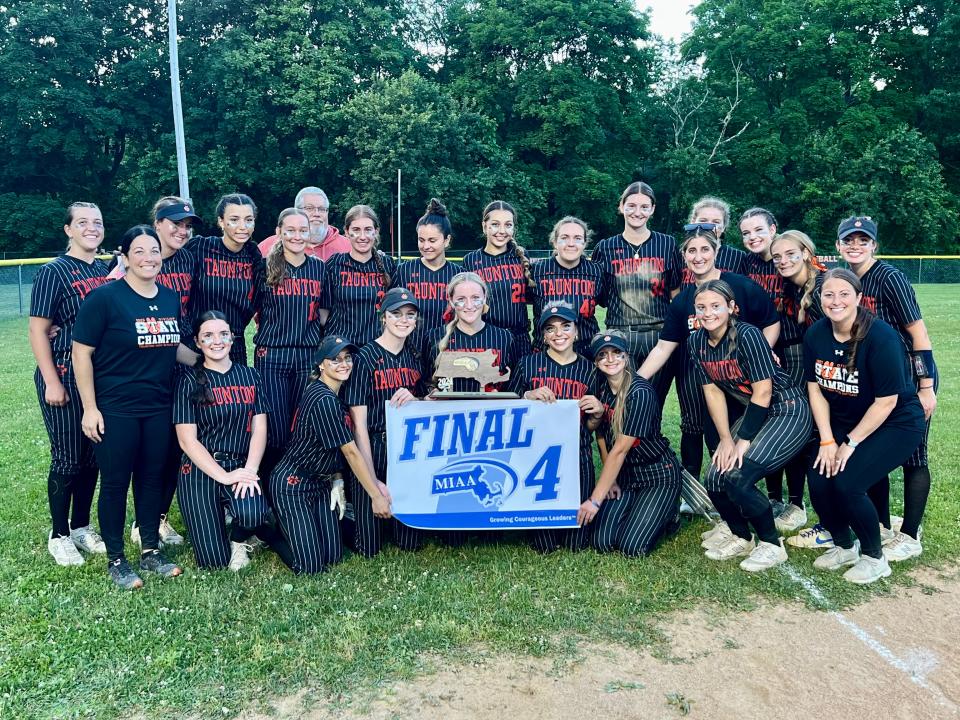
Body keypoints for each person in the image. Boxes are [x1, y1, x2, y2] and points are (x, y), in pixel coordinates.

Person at [72, 226, 186, 589]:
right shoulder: (105, 298)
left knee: (152, 479)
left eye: (154, 250)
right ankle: (117, 559)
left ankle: (150, 550)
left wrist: (209, 357)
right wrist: (90, 407)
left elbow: (173, 345)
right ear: (124, 257)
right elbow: (81, 353)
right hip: (116, 407)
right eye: (139, 251)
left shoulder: (169, 297)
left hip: (157, 407)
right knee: (117, 482)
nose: (149, 258)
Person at [804, 268, 925, 583]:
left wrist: (851, 444)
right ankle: (844, 545)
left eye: (845, 294)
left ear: (859, 298)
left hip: (896, 422)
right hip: (848, 421)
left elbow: (886, 402)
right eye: (828, 294)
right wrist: (828, 441)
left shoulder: (880, 336)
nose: (836, 301)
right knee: (819, 478)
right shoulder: (816, 333)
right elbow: (815, 388)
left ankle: (874, 556)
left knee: (849, 483)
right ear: (820, 298)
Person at [638, 227, 779, 484]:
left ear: (716, 252)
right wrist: (636, 380)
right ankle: (713, 491)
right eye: (691, 250)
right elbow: (663, 347)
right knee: (708, 431)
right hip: (708, 377)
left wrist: (763, 351)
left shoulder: (740, 285)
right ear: (684, 256)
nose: (698, 256)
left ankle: (759, 492)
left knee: (750, 433)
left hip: (744, 379)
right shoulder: (683, 301)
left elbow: (771, 321)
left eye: (705, 249)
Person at [690, 280, 811, 572]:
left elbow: (764, 392)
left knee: (737, 475)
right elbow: (713, 392)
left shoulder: (748, 335)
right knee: (716, 478)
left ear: (732, 308)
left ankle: (771, 544)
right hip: (756, 413)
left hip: (786, 409)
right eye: (701, 307)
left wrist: (742, 440)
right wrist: (725, 439)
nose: (708, 313)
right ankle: (741, 536)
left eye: (716, 306)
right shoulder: (696, 341)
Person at [835, 216, 936, 561]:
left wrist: (926, 385)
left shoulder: (890, 278)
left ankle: (910, 532)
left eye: (863, 241)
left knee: (915, 456)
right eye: (849, 240)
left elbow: (919, 333)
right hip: (872, 383)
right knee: (870, 451)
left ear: (874, 245)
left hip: (907, 380)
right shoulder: (844, 280)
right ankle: (880, 525)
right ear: (838, 245)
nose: (855, 246)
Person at [29, 202, 113, 566]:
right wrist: (51, 380)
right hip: (63, 372)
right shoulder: (55, 271)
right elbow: (37, 329)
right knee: (67, 457)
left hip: (99, 376)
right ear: (68, 229)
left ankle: (80, 526)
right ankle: (59, 533)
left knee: (93, 454)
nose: (91, 228)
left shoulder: (106, 269)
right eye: (82, 223)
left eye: (97, 222)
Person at [175, 311, 289, 571]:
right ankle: (220, 517)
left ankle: (240, 539)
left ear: (233, 338)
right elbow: (187, 441)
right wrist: (224, 477)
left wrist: (249, 471)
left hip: (239, 462)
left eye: (223, 334)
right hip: (199, 469)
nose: (217, 341)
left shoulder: (250, 376)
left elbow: (260, 427)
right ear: (198, 342)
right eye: (208, 335)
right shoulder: (188, 380)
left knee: (253, 513)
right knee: (213, 562)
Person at [270, 336, 391, 574]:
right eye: (335, 360)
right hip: (293, 484)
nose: (343, 364)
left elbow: (329, 445)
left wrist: (336, 478)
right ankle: (270, 532)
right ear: (320, 365)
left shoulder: (334, 392)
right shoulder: (323, 399)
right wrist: (376, 495)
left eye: (347, 358)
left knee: (333, 556)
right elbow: (350, 452)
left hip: (321, 483)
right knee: (311, 567)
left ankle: (312, 529)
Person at [128, 196, 203, 550]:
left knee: (176, 445)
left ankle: (158, 517)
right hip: (147, 363)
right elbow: (106, 298)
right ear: (156, 224)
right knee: (148, 446)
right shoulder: (137, 261)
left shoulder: (190, 257)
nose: (182, 231)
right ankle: (140, 520)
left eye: (187, 225)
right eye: (175, 224)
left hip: (183, 356)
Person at [575, 332, 682, 556]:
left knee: (632, 547)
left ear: (626, 357)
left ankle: (668, 512)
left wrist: (595, 501)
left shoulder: (640, 392)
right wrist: (610, 479)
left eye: (616, 353)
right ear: (596, 361)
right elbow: (602, 435)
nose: (610, 359)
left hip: (656, 474)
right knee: (601, 542)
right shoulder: (600, 386)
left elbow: (621, 449)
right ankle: (641, 509)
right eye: (603, 355)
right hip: (625, 475)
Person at [509, 302, 605, 553]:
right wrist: (528, 395)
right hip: (535, 457)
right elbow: (508, 410)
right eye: (550, 329)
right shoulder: (527, 364)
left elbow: (593, 426)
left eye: (565, 326)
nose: (558, 333)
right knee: (544, 545)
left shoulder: (590, 370)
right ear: (543, 335)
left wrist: (597, 412)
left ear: (576, 331)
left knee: (577, 542)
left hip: (577, 456)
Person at [344, 288, 427, 556]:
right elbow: (359, 427)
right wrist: (373, 482)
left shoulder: (415, 355)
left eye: (410, 315)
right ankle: (345, 514)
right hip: (374, 448)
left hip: (405, 450)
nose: (403, 320)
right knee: (369, 547)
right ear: (383, 317)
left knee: (410, 543)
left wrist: (416, 397)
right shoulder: (365, 357)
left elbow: (429, 400)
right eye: (396, 314)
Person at [591, 181, 683, 398]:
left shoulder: (667, 244)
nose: (637, 212)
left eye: (644, 206)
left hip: (659, 335)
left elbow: (675, 292)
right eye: (631, 205)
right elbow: (601, 295)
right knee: (622, 402)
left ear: (652, 209)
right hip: (620, 333)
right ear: (621, 206)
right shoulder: (605, 247)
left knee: (654, 401)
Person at [254, 208, 325, 477]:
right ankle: (271, 488)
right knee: (274, 428)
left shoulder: (319, 267)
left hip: (306, 355)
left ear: (310, 234)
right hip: (272, 355)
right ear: (279, 233)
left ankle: (296, 485)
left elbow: (324, 313)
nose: (297, 236)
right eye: (290, 230)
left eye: (302, 230)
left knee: (301, 425)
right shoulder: (265, 267)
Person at [766, 230, 825, 533]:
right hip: (804, 361)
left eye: (790, 253)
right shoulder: (791, 286)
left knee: (817, 434)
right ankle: (795, 504)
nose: (783, 260)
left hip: (827, 367)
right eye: (777, 257)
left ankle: (831, 517)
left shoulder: (824, 285)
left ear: (806, 252)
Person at [187, 193, 265, 364]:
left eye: (249, 220)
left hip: (234, 345)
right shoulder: (201, 247)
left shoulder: (254, 257)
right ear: (221, 221)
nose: (243, 226)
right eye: (235, 219)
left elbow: (257, 301)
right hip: (199, 344)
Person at [461, 200, 535, 359]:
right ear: (484, 226)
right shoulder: (471, 260)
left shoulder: (521, 257)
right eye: (495, 224)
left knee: (521, 384)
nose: (502, 231)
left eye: (508, 225)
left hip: (519, 340)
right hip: (486, 340)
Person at [423, 272, 515, 394]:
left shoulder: (504, 338)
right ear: (451, 301)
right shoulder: (434, 337)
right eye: (461, 299)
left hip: (490, 412)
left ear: (485, 297)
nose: (469, 306)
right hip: (448, 411)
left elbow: (514, 384)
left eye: (475, 298)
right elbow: (424, 381)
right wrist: (430, 392)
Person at [392, 198, 464, 352]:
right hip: (409, 353)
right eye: (421, 240)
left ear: (446, 240)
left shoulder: (458, 275)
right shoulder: (404, 271)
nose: (426, 246)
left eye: (432, 240)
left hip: (447, 352)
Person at [320, 204, 396, 348]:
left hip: (377, 349)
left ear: (376, 231)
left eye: (368, 230)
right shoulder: (335, 264)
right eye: (356, 230)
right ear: (347, 232)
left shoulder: (388, 264)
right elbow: (323, 314)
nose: (362, 236)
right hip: (341, 351)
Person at [529, 217, 604, 356]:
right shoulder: (537, 270)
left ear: (585, 243)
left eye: (577, 238)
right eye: (564, 237)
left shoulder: (597, 271)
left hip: (586, 353)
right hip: (545, 353)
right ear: (554, 241)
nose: (571, 243)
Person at [258, 186, 349, 261]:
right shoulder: (268, 246)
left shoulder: (348, 247)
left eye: (321, 209)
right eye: (309, 208)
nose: (316, 214)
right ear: (296, 211)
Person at [682, 196, 746, 282]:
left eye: (716, 222)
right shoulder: (683, 253)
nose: (709, 227)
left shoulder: (738, 257)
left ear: (724, 227)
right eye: (703, 221)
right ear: (693, 222)